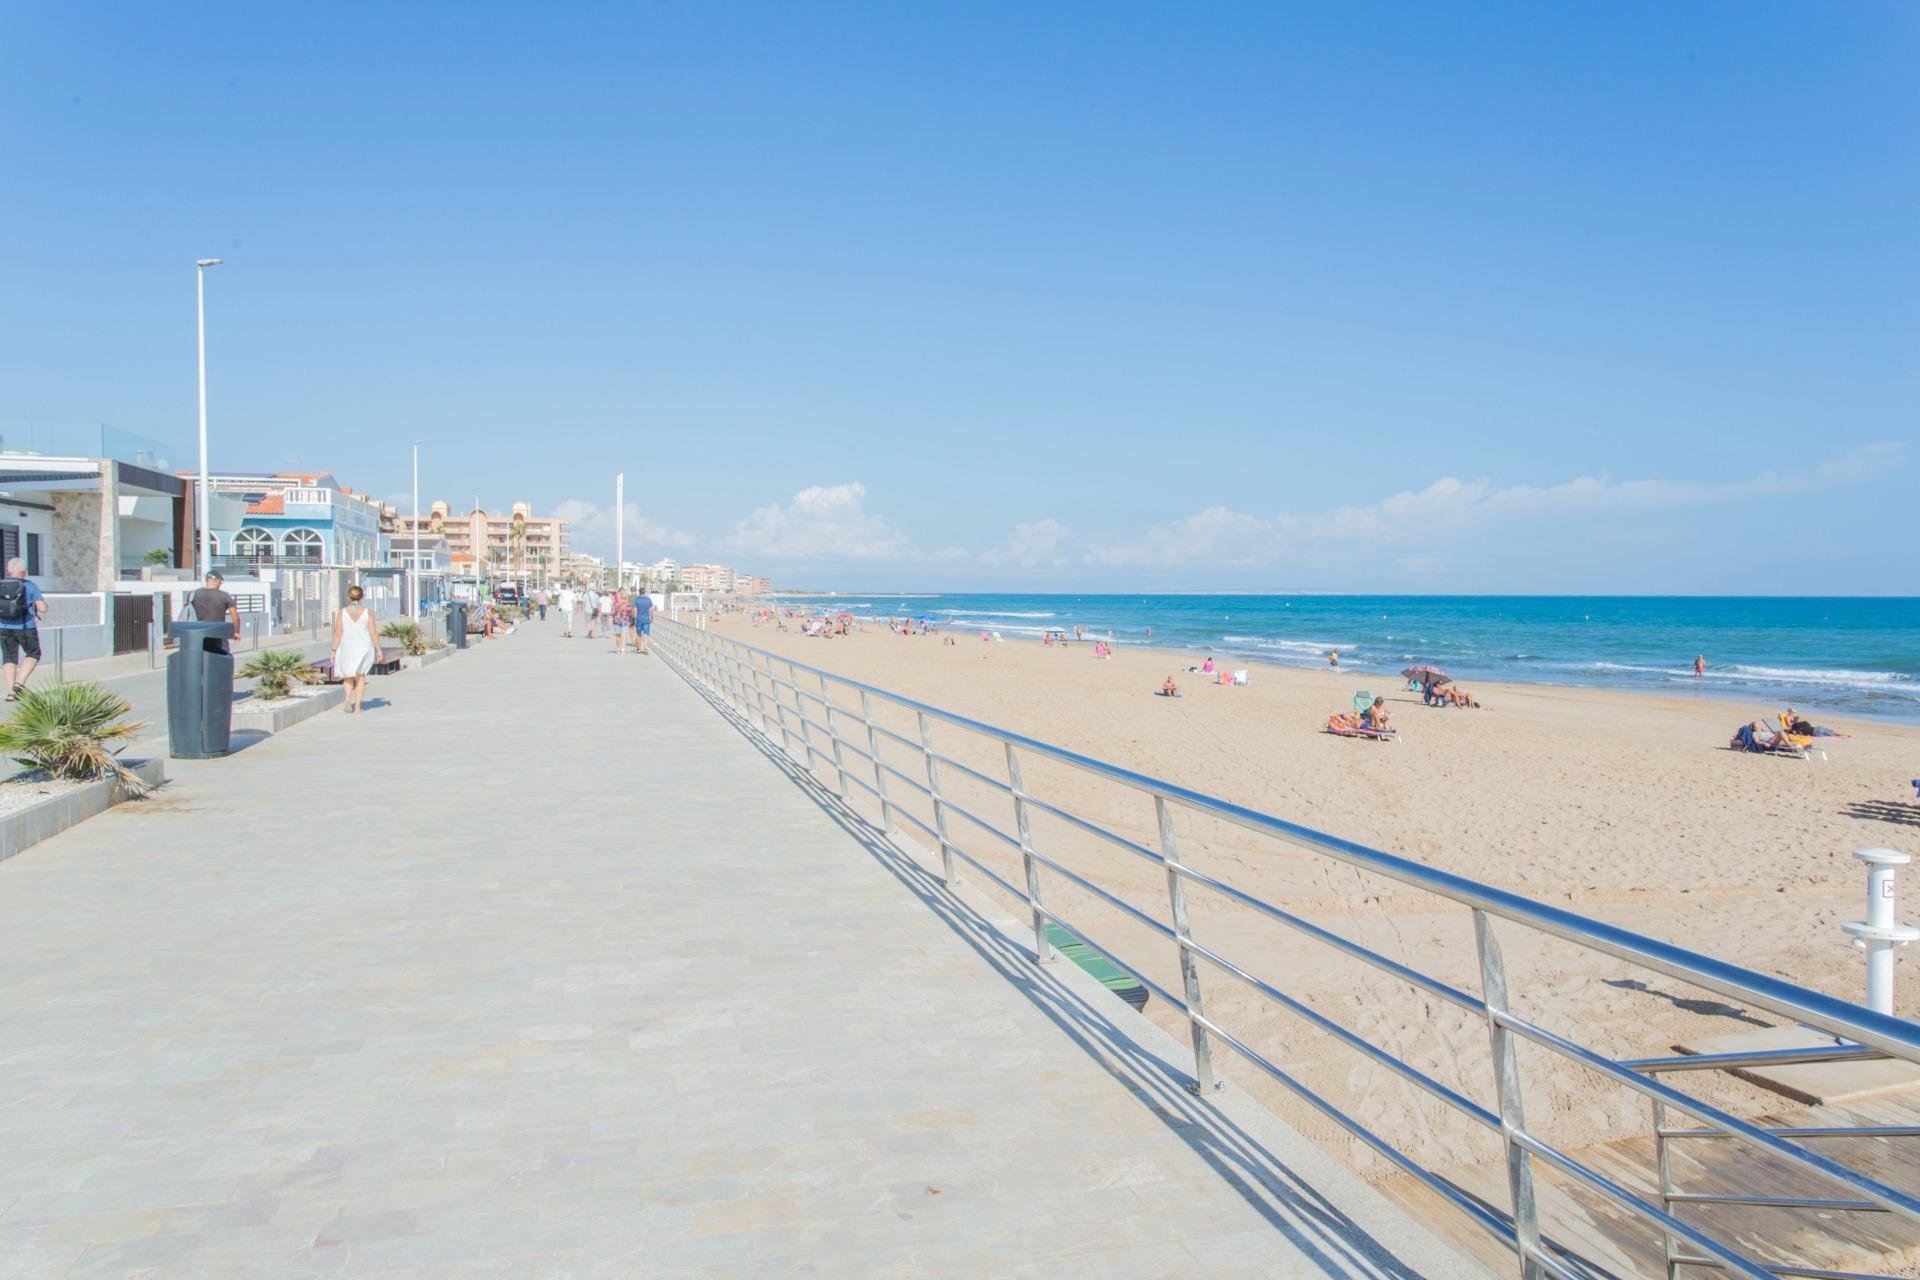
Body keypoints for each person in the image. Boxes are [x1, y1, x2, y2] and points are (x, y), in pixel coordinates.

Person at [0, 556, 47, 701]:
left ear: (8, 570)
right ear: (24, 571)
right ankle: (19, 683)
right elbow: (43, 608)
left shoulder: (1, 585)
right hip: (26, 627)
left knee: (8, 658)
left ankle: (10, 693)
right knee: (34, 653)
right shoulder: (30, 586)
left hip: (4, 627)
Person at [331, 584, 381, 715]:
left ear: (349, 596)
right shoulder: (367, 612)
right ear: (362, 597)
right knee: (360, 677)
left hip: (347, 647)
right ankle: (358, 707)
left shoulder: (342, 612)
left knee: (348, 676)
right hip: (364, 647)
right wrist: (378, 649)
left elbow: (337, 632)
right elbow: (373, 632)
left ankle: (348, 698)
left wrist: (333, 650)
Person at [188, 569, 242, 655]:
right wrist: (236, 632)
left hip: (198, 635)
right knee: (221, 660)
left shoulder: (193, 594)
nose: (220, 584)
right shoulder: (224, 595)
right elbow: (234, 615)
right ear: (217, 580)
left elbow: (186, 613)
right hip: (219, 635)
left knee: (200, 662)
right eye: (221, 582)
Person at [632, 589, 654, 654]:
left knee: (639, 634)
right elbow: (651, 610)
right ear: (644, 592)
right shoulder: (648, 600)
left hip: (639, 619)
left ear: (639, 592)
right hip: (647, 619)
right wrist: (652, 617)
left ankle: (638, 648)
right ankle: (645, 648)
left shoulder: (636, 600)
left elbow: (635, 610)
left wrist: (635, 618)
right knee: (646, 634)